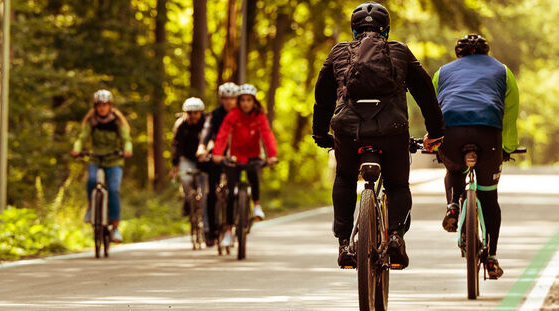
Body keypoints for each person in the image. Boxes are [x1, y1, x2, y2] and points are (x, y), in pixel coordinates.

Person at [311, 1, 446, 270]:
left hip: (348, 131)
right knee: (397, 185)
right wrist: (436, 132)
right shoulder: (399, 51)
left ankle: (343, 244)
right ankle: (395, 236)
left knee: (345, 178)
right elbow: (426, 95)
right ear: (386, 30)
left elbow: (323, 99)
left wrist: (320, 133)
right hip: (392, 131)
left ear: (353, 29)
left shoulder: (338, 53)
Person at [433, 34, 519, 279]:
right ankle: (491, 257)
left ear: (459, 54)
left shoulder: (442, 72)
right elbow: (510, 113)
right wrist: (508, 147)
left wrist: (433, 140)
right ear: (486, 52)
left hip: (451, 133)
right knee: (489, 198)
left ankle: (452, 206)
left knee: (453, 169)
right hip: (488, 134)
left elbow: (433, 106)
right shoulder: (503, 71)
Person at [211, 83, 278, 247]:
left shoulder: (259, 116)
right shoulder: (233, 115)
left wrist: (272, 156)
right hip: (235, 157)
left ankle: (256, 205)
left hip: (252, 156)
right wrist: (218, 154)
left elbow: (267, 135)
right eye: (243, 100)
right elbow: (222, 134)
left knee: (253, 175)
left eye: (249, 100)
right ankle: (227, 231)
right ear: (239, 102)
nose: (246, 103)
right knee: (230, 193)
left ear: (254, 102)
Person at [72, 89, 133, 243]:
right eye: (99, 105)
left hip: (114, 160)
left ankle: (115, 227)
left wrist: (127, 149)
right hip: (96, 158)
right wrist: (77, 148)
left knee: (113, 190)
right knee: (92, 180)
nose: (102, 108)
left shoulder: (117, 121)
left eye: (105, 105)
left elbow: (126, 139)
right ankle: (91, 207)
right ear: (95, 106)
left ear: (110, 106)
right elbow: (81, 138)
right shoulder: (91, 121)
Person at [197, 82, 239, 246]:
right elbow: (206, 131)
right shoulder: (214, 115)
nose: (228, 102)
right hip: (217, 155)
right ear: (221, 99)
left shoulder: (241, 114)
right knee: (211, 193)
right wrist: (202, 147)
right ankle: (212, 231)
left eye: (232, 98)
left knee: (233, 191)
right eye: (225, 98)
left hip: (236, 155)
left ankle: (238, 218)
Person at [171, 97, 208, 217]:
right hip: (187, 158)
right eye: (189, 113)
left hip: (204, 159)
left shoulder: (207, 123)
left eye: (195, 112)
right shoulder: (181, 125)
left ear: (201, 112)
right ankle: (187, 200)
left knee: (206, 189)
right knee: (185, 179)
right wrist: (175, 165)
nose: (192, 115)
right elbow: (176, 146)